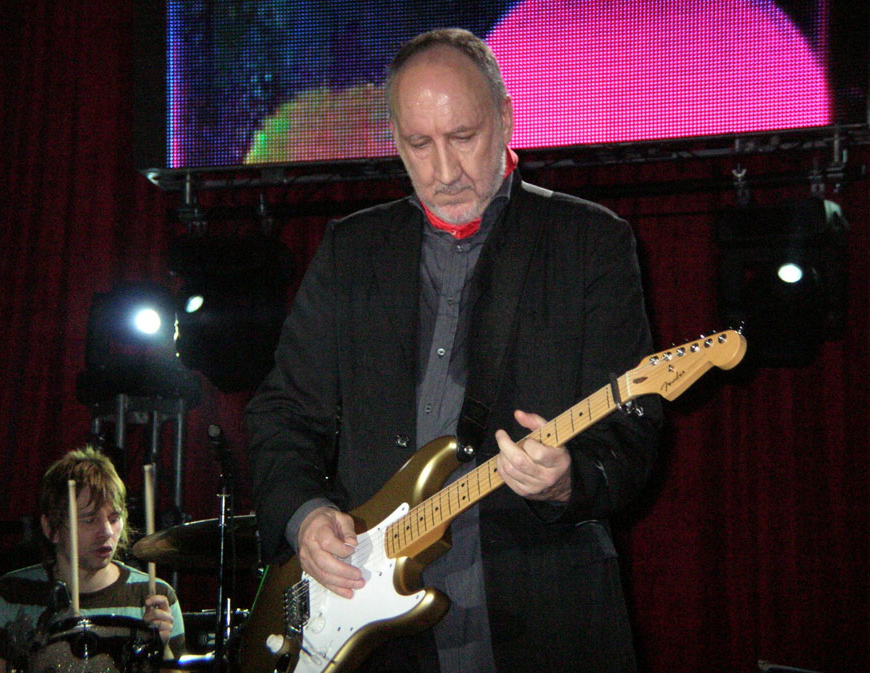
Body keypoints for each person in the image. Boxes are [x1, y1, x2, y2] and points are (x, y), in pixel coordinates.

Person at [245, 28, 662, 673]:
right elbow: (282, 414)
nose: (444, 171)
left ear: (505, 118)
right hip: (378, 625)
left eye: (463, 137)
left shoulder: (589, 243)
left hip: (539, 608)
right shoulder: (352, 250)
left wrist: (567, 481)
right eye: (419, 145)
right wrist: (305, 517)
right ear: (395, 144)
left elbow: (633, 434)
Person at [0, 446, 185, 672]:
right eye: (89, 520)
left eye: (114, 518)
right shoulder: (10, 594)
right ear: (50, 528)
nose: (106, 532)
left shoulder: (155, 596)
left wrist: (164, 651)